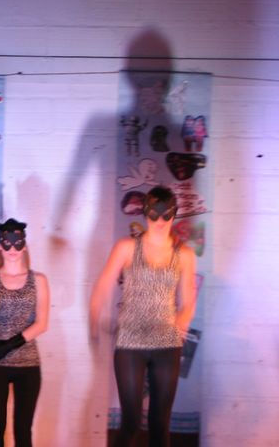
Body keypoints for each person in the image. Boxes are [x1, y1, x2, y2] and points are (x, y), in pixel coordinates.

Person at [90, 186, 197, 446]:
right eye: (153, 213)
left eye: (166, 214)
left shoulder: (184, 254)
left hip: (166, 343)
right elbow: (103, 285)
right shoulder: (127, 247)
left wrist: (181, 322)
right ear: (145, 212)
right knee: (131, 420)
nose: (159, 220)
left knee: (160, 423)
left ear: (174, 214)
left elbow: (188, 300)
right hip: (131, 342)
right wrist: (94, 322)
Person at [0, 218, 50, 447]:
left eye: (17, 242)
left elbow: (42, 324)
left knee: (23, 429)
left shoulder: (38, 280)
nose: (12, 248)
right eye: (6, 242)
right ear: (0, 245)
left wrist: (9, 345)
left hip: (27, 363)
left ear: (24, 245)